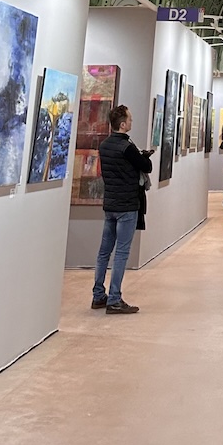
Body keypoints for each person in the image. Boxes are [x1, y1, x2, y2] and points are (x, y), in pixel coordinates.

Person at [92, 105, 154, 315]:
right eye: (130, 119)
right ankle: (115, 299)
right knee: (121, 252)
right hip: (127, 205)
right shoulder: (127, 146)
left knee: (104, 252)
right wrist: (144, 156)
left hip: (110, 204)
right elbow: (146, 166)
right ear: (122, 124)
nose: (131, 123)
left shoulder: (105, 145)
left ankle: (98, 295)